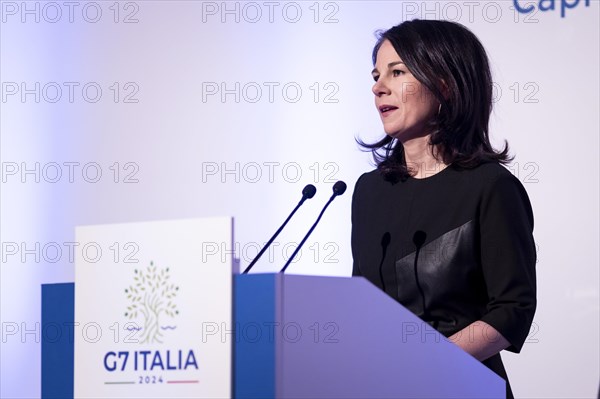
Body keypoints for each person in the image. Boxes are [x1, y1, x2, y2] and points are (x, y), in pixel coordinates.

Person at [351, 19, 537, 399]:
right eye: (376, 74)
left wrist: (428, 365)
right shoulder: (369, 191)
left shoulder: (491, 187)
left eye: (397, 71)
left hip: (462, 386)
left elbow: (511, 309)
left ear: (445, 85)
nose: (377, 86)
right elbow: (362, 305)